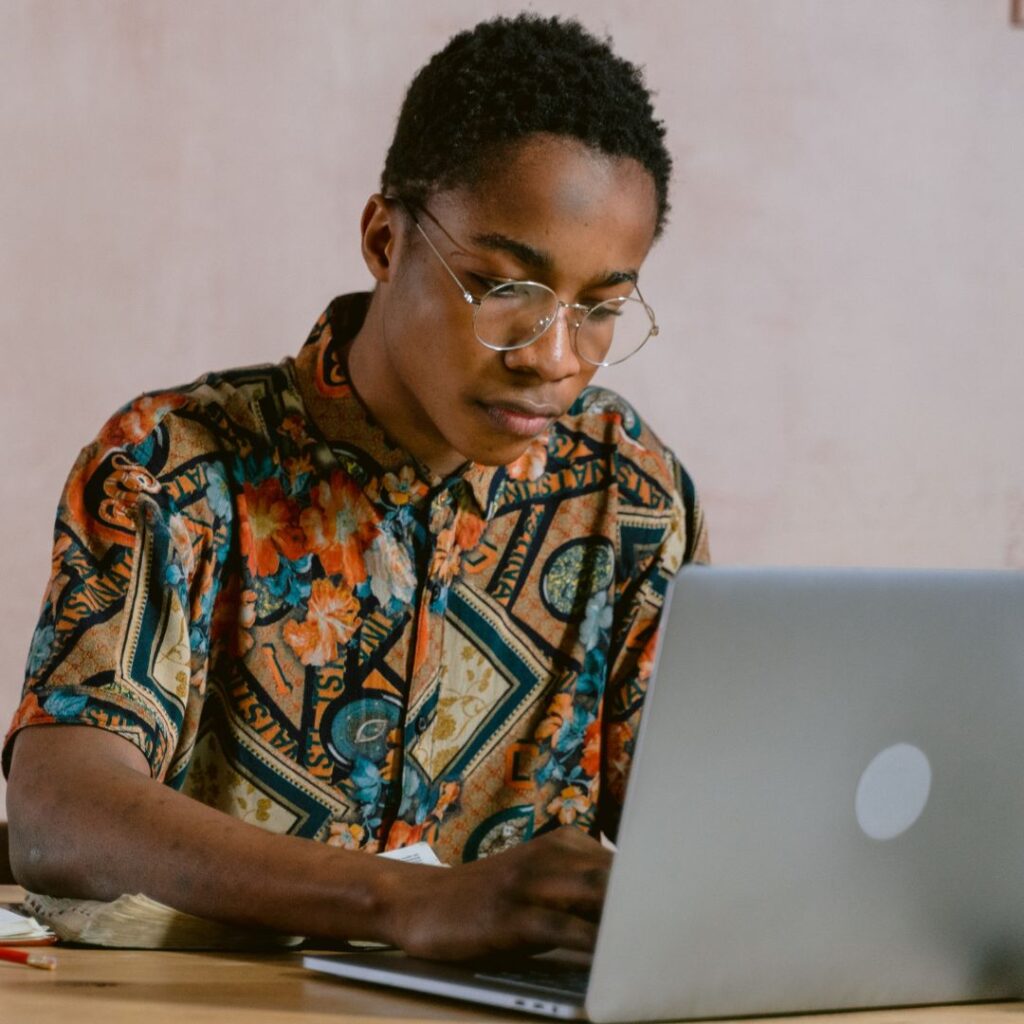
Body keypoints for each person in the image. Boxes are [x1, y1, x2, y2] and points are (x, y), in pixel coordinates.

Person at [4, 13, 708, 960]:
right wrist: (402, 902)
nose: (553, 357)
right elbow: (60, 812)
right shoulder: (176, 466)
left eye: (601, 309)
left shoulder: (632, 493)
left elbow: (709, 824)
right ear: (384, 239)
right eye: (506, 288)